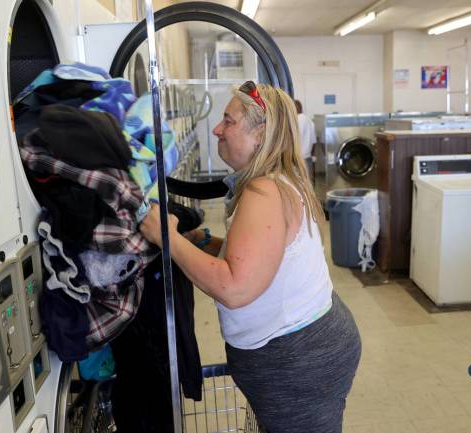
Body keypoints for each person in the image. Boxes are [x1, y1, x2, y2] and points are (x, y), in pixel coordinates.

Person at [140, 81, 361, 433]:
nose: (216, 128)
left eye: (228, 121)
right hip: (308, 350)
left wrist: (166, 238)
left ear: (260, 133)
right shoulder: (275, 180)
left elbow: (235, 287)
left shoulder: (265, 191)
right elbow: (260, 256)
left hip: (298, 362)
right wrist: (200, 240)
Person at [294, 99, 317, 181]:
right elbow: (314, 141)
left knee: (297, 182)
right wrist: (313, 155)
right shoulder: (309, 120)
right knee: (308, 182)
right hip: (307, 157)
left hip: (295, 158)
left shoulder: (293, 120)